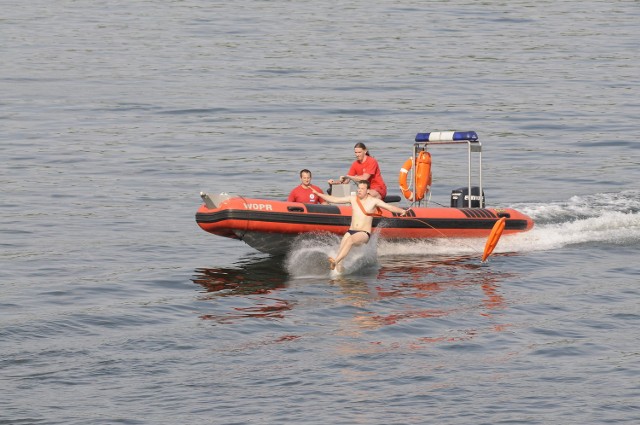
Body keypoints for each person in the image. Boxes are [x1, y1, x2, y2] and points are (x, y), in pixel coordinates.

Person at [312, 180, 408, 270]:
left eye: (362, 189)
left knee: (349, 241)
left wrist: (402, 211)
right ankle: (339, 273)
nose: (359, 190)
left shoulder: (373, 201)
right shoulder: (353, 199)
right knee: (341, 250)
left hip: (363, 233)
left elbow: (390, 207)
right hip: (351, 231)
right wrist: (318, 194)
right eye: (358, 188)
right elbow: (335, 199)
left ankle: (335, 261)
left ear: (368, 191)